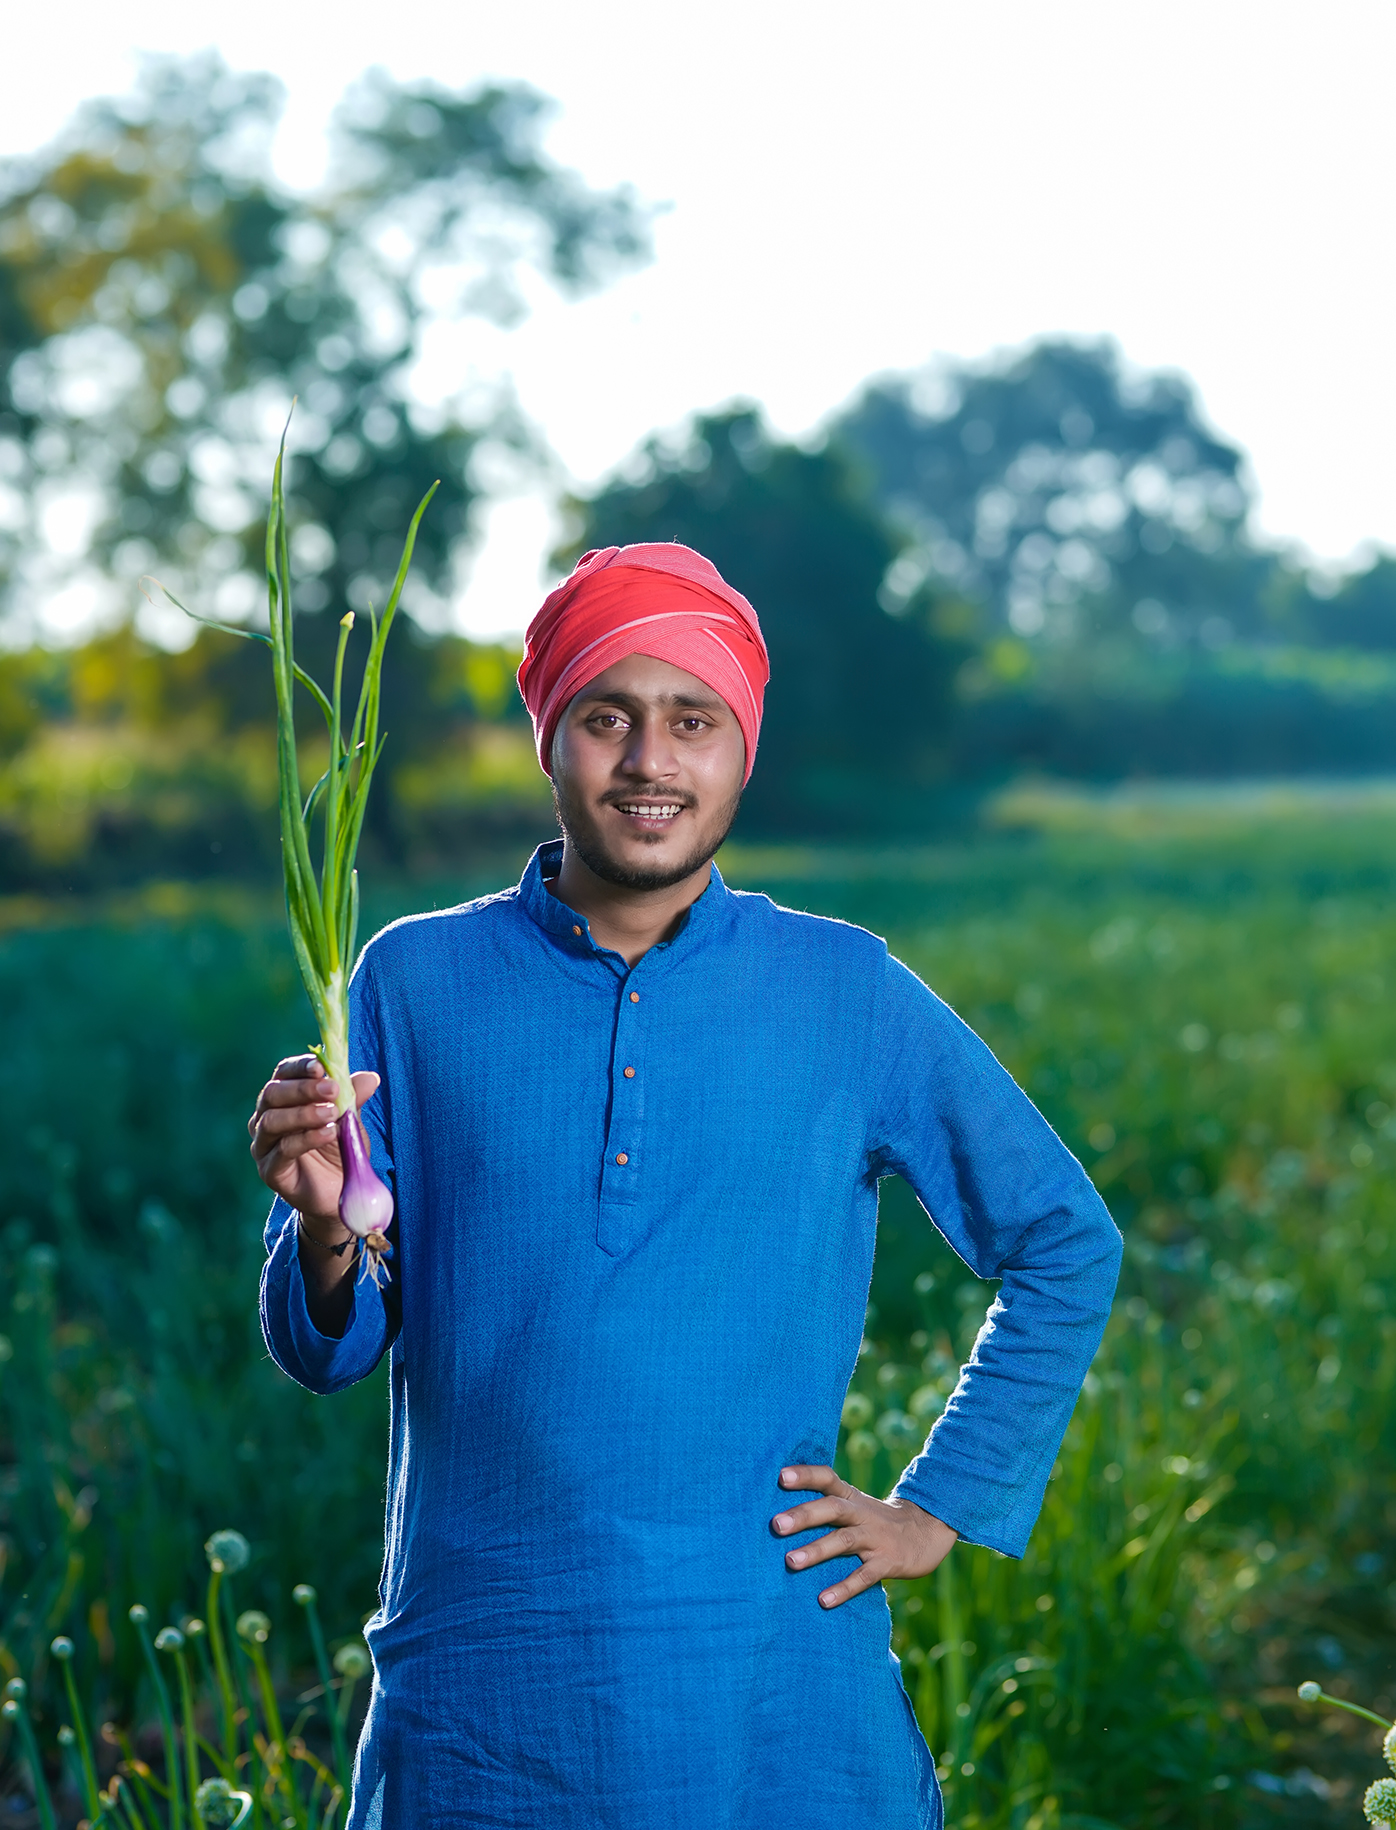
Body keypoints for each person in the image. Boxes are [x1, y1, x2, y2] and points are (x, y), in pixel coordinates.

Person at [251, 541, 1122, 1829]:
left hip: (772, 1672)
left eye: (692, 721)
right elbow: (333, 1351)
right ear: (550, 740)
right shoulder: (412, 982)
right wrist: (327, 1232)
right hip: (488, 1681)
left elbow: (1063, 1239)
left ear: (739, 749)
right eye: (608, 716)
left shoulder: (844, 992)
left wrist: (941, 1506)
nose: (651, 760)